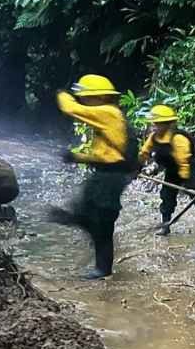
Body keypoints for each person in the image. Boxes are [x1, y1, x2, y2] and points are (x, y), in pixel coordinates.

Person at [50, 74, 136, 280]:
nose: (83, 101)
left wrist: (61, 92)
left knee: (103, 221)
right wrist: (77, 157)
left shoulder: (108, 112)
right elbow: (103, 154)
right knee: (89, 210)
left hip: (111, 176)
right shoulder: (109, 115)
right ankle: (79, 220)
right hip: (106, 173)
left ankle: (103, 270)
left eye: (85, 97)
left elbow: (71, 109)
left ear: (98, 98)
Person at [138, 104, 195, 235]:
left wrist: (186, 183)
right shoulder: (154, 137)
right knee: (167, 196)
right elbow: (144, 153)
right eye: (153, 124)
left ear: (166, 124)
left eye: (157, 124)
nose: (153, 127)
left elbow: (183, 160)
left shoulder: (178, 138)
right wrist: (136, 167)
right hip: (172, 171)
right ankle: (165, 225)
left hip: (188, 170)